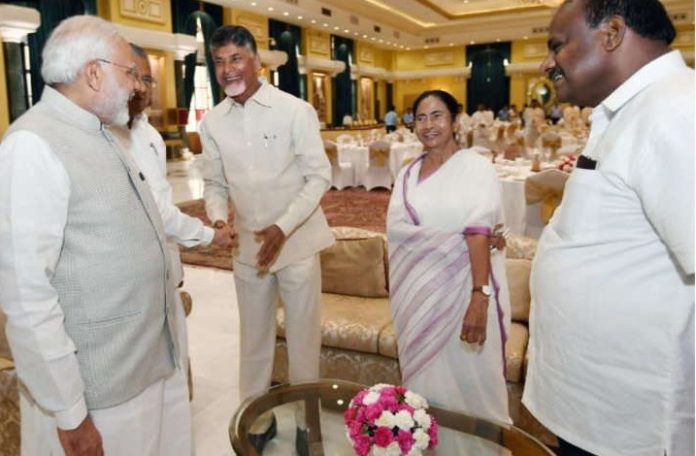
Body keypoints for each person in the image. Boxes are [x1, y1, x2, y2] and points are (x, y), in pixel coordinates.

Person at [0, 15, 190, 455]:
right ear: (93, 73)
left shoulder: (102, 132)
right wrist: (70, 411)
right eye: (129, 73)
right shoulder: (32, 146)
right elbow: (27, 294)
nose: (137, 86)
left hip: (143, 367)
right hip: (95, 394)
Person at [523, 1, 694, 455]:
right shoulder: (634, 110)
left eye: (557, 45)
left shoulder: (676, 110)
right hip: (599, 410)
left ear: (612, 33)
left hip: (633, 424)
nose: (546, 64)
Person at [198, 25, 334, 455]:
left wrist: (283, 226)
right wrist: (218, 219)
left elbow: (318, 176)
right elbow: (214, 183)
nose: (228, 69)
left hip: (297, 244)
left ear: (256, 61)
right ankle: (256, 419)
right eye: (219, 62)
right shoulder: (212, 122)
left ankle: (307, 423)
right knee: (253, 340)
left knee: (303, 342)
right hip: (248, 250)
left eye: (236, 58)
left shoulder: (294, 110)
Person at [111, 44, 237, 417]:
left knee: (173, 370)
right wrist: (211, 235)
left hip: (165, 272)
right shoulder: (107, 137)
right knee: (145, 387)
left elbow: (161, 200)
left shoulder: (149, 133)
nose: (141, 86)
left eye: (147, 79)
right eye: (132, 76)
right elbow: (154, 210)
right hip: (130, 283)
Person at [387, 90, 511, 454]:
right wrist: (454, 240)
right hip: (418, 300)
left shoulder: (476, 167)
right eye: (421, 117)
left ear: (455, 121)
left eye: (437, 115)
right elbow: (397, 232)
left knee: (472, 382)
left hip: (467, 294)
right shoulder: (407, 174)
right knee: (427, 388)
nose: (429, 125)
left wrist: (479, 296)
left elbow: (480, 229)